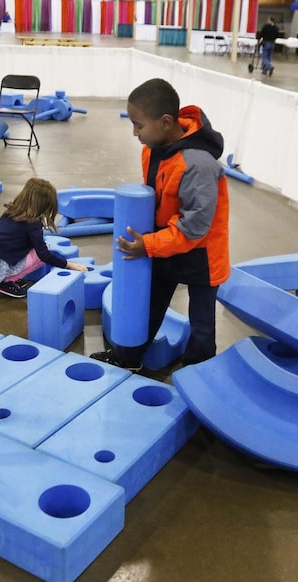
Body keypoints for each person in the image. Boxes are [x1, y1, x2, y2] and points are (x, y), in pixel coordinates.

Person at [90, 78, 230, 371]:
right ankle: (128, 359)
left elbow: (195, 226)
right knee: (148, 307)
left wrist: (149, 244)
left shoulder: (197, 165)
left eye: (139, 125)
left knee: (202, 323)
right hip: (167, 243)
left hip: (201, 254)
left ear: (165, 122)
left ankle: (199, 375)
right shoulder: (152, 149)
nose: (134, 132)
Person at [0, 178, 88, 298]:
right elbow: (44, 255)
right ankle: (5, 281)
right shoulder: (33, 223)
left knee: (39, 249)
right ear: (43, 205)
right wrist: (69, 265)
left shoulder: (12, 210)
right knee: (40, 255)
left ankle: (6, 276)